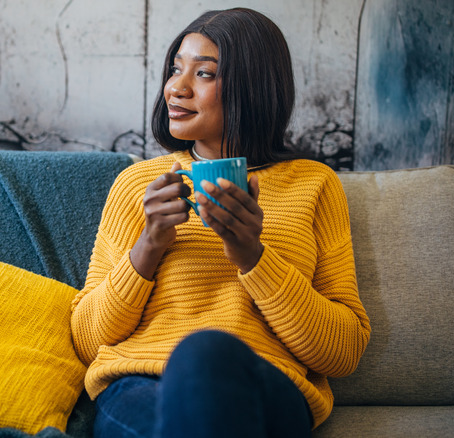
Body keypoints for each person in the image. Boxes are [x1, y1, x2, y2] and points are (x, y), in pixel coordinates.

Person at [70, 7, 371, 438]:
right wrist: (149, 244)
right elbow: (86, 338)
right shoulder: (138, 184)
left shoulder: (314, 184)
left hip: (262, 384)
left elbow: (343, 353)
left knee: (206, 353)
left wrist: (253, 256)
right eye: (175, 69)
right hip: (140, 386)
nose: (176, 87)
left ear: (253, 87)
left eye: (205, 74)